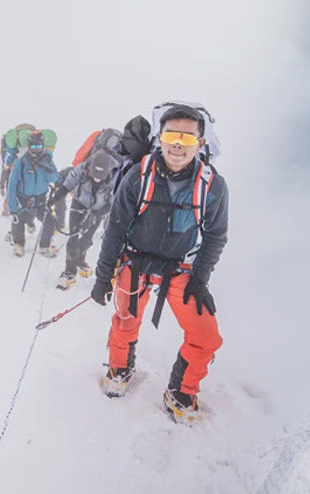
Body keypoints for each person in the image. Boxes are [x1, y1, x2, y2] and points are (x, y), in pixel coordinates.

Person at [91, 105, 228, 424]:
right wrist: (103, 276)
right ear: (160, 138)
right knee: (125, 320)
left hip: (180, 269)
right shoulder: (139, 176)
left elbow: (216, 235)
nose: (178, 144)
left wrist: (200, 279)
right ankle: (120, 368)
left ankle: (181, 391)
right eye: (171, 135)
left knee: (206, 336)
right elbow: (115, 227)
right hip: (134, 262)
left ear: (201, 142)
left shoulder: (213, 185)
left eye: (187, 137)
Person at [50, 150, 119, 289]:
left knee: (87, 237)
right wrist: (55, 198)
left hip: (98, 210)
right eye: (94, 175)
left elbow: (115, 201)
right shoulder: (81, 169)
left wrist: (99, 212)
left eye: (100, 176)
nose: (97, 179)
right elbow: (67, 185)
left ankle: (81, 261)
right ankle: (69, 272)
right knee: (73, 238)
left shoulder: (115, 176)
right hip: (79, 204)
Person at [6, 130, 60, 258]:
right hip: (23, 199)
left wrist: (47, 168)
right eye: (33, 147)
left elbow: (55, 179)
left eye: (39, 146)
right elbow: (12, 184)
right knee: (18, 221)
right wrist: (13, 207)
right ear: (29, 147)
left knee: (50, 221)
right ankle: (19, 244)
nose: (36, 150)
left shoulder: (48, 160)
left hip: (40, 200)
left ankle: (45, 246)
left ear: (43, 146)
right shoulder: (21, 162)